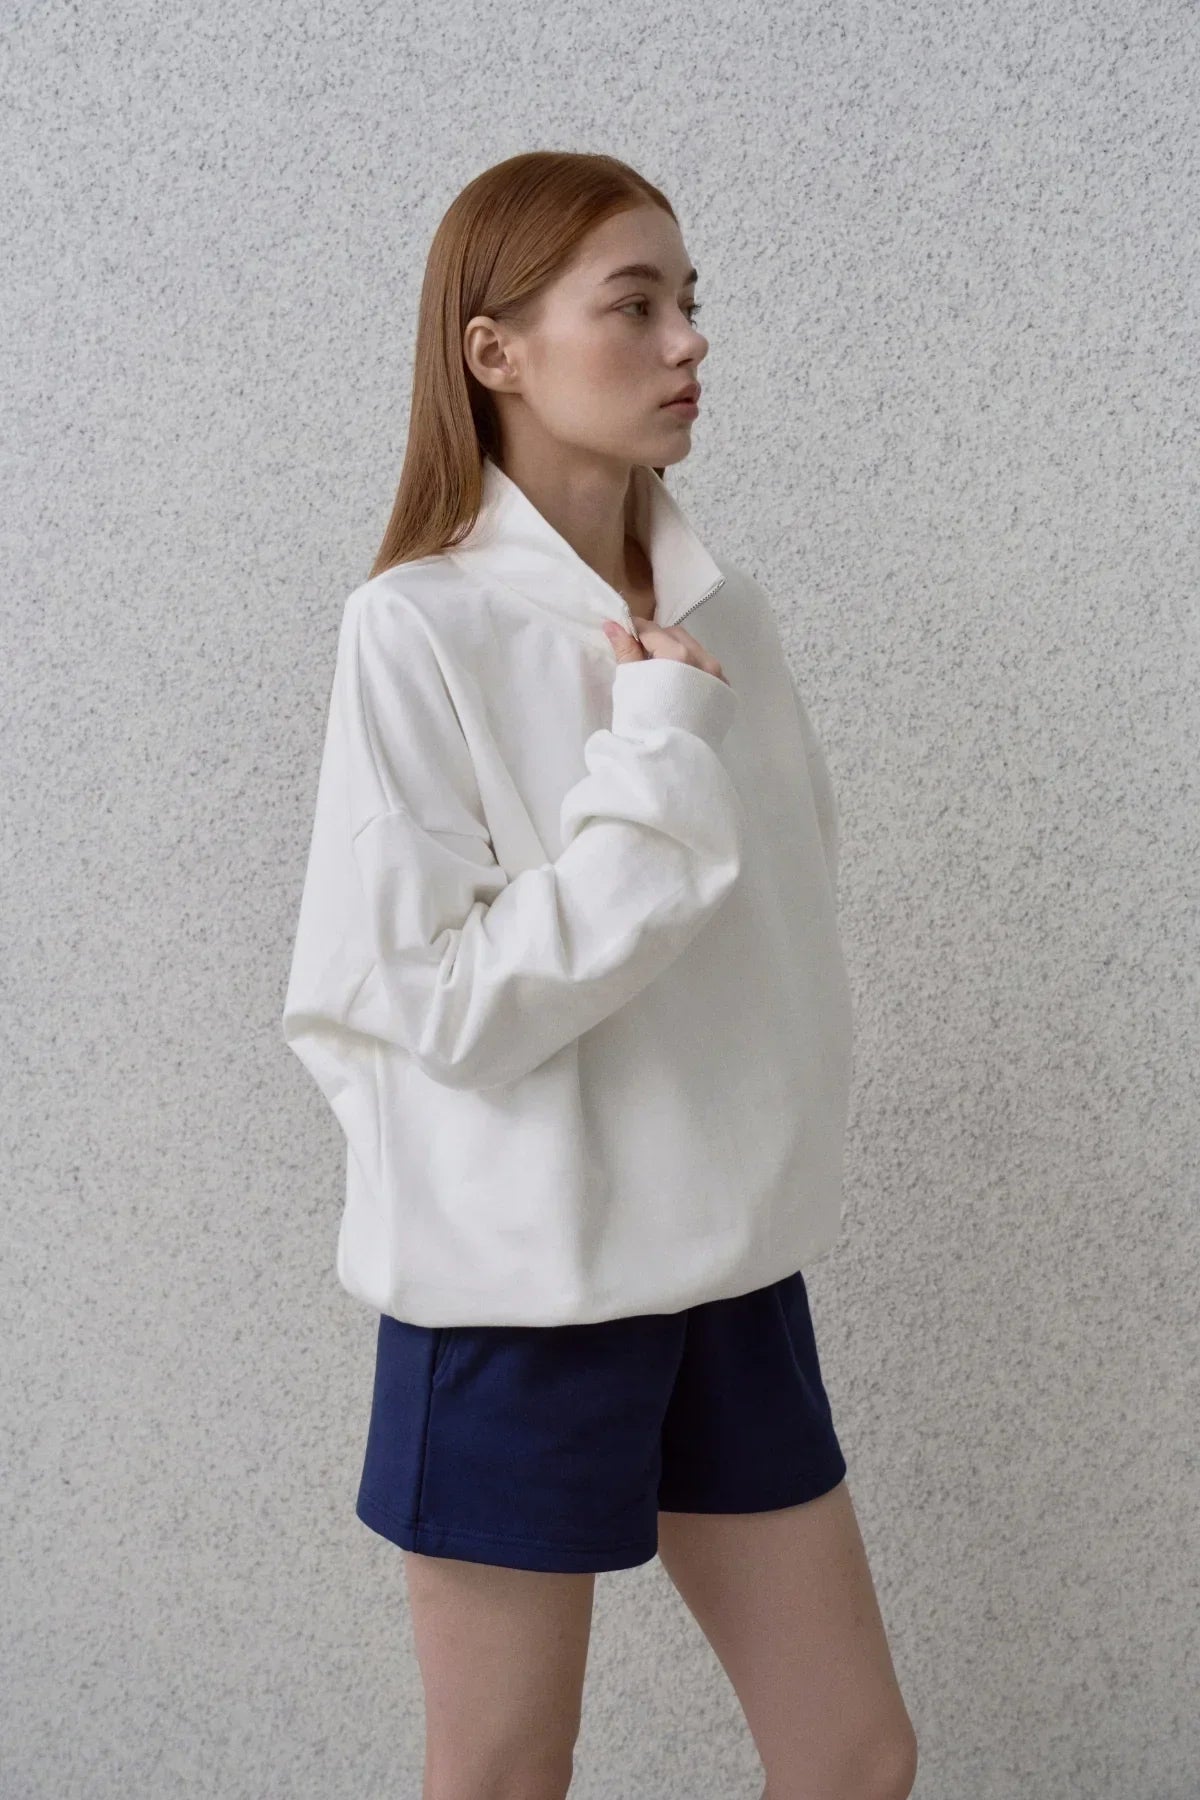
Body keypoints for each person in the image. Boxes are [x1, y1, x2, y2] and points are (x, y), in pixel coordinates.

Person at [281, 150, 917, 1800]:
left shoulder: (727, 617)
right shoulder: (414, 629)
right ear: (496, 351)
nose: (686, 341)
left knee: (853, 1758)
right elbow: (439, 1004)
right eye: (632, 305)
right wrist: (650, 761)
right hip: (516, 1293)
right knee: (503, 1774)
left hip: (727, 1269)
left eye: (688, 303)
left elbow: (776, 949)